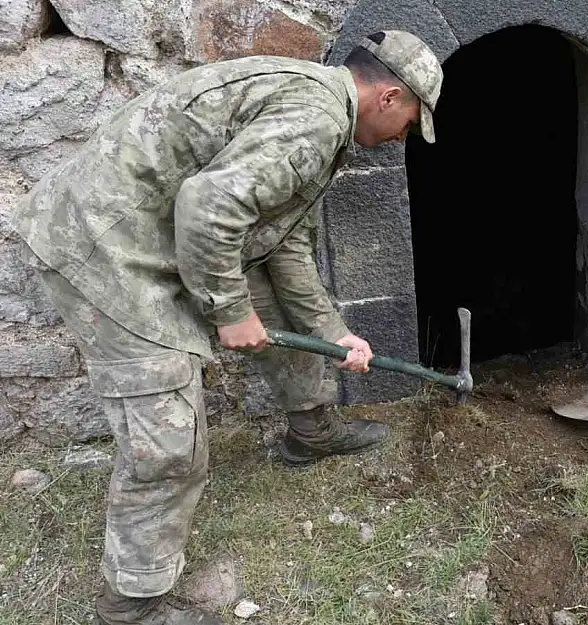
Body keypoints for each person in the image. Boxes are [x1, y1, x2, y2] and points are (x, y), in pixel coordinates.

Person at [11, 30, 444, 625]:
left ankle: (310, 430)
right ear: (390, 96)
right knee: (169, 441)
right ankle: (132, 607)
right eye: (409, 123)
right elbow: (209, 208)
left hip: (157, 235)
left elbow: (286, 245)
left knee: (280, 309)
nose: (402, 139)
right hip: (106, 248)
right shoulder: (315, 118)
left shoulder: (322, 112)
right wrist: (230, 310)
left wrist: (333, 331)